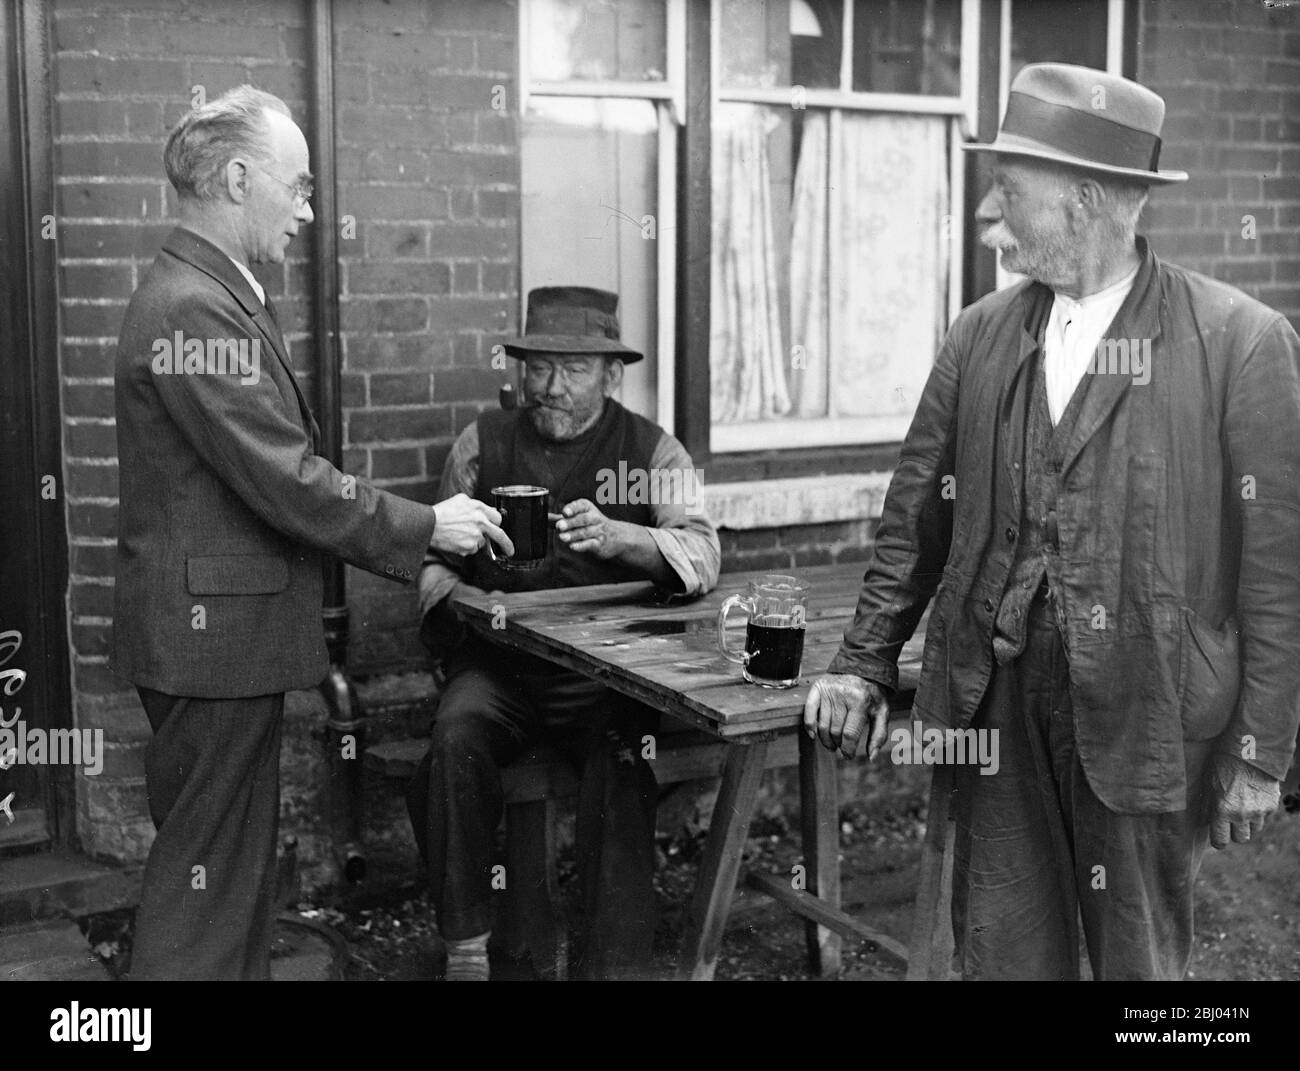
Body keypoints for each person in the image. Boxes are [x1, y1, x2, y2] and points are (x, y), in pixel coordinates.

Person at [804, 63, 1300, 980]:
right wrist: (865, 661)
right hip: (992, 707)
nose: (989, 211)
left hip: (1149, 717)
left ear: (1082, 199)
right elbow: (915, 518)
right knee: (1000, 953)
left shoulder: (1239, 342)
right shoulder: (980, 333)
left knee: (1140, 975)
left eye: (1007, 188)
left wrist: (1263, 756)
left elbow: (1280, 574)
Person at [112, 85, 511, 980]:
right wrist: (428, 526)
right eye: (296, 188)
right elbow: (287, 479)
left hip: (214, 642)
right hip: (208, 645)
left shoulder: (211, 293)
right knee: (203, 893)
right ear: (239, 177)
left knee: (230, 878)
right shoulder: (193, 307)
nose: (307, 210)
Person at [407, 286, 721, 980]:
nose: (550, 387)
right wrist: (469, 602)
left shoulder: (651, 450)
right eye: (538, 367)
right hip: (502, 671)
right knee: (454, 738)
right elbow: (431, 564)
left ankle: (610, 969)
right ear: (519, 369)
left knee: (621, 764)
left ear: (611, 376)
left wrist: (622, 537)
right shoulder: (482, 444)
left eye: (574, 371)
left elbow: (700, 554)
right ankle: (466, 949)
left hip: (605, 676)